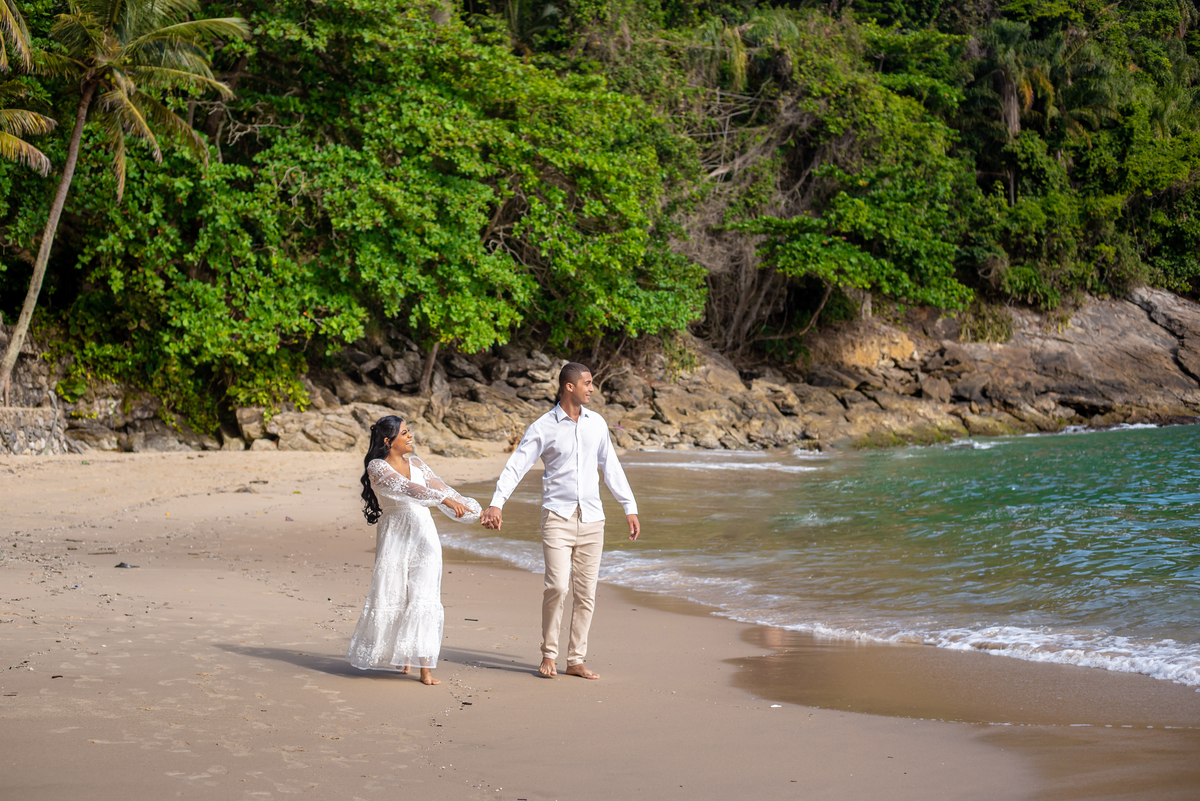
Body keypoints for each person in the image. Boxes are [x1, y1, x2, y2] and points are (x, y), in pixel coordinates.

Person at [481, 362, 640, 680]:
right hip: (557, 517)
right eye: (587, 383)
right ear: (570, 386)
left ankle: (576, 659)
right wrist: (497, 503)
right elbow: (517, 465)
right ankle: (549, 653)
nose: (592, 388)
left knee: (586, 593)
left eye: (592, 383)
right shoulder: (543, 426)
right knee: (556, 586)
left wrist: (629, 506)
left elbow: (611, 467)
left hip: (593, 519)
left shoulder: (597, 424)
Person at [347, 415, 481, 685]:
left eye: (409, 431)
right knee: (396, 592)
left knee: (425, 595)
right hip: (395, 534)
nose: (410, 436)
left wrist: (476, 512)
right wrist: (442, 499)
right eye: (404, 433)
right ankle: (402, 654)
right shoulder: (377, 466)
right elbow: (410, 489)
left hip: (424, 533)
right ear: (388, 441)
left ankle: (425, 669)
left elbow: (442, 488)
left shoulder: (417, 463)